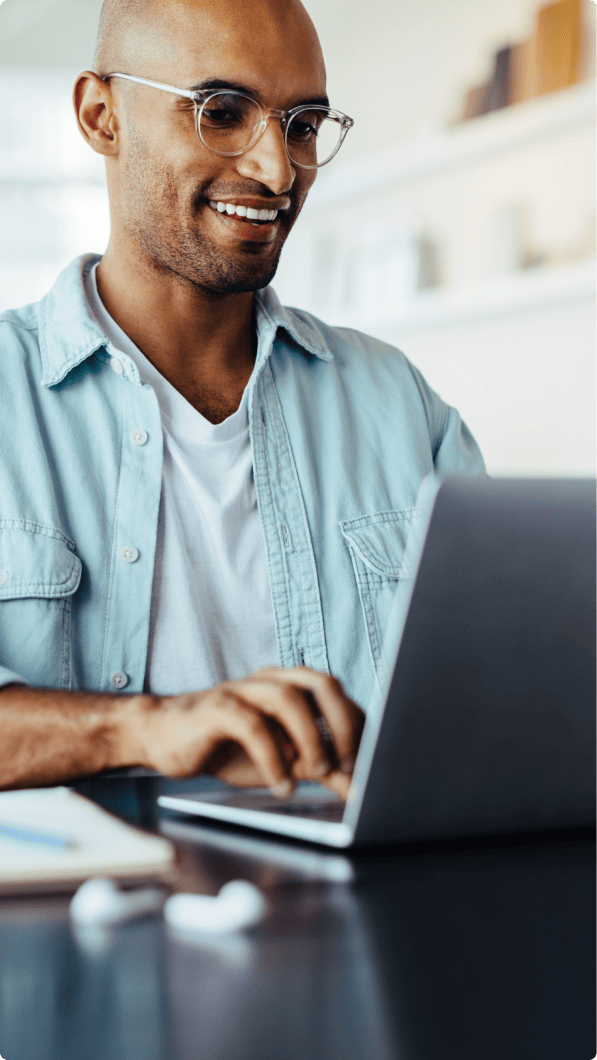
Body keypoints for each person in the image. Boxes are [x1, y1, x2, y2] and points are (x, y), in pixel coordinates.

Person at [0, 0, 484, 797]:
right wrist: (146, 729)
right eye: (221, 113)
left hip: (352, 906)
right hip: (76, 909)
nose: (275, 170)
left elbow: (505, 681)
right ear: (101, 115)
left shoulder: (396, 402)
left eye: (302, 126)